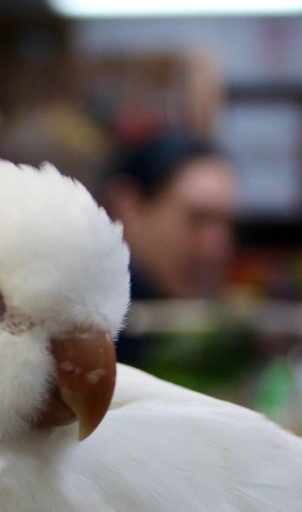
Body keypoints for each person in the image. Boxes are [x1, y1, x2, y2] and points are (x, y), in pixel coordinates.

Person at [99, 130, 238, 367]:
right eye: (197, 219)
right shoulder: (95, 327)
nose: (215, 247)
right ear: (128, 208)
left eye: (226, 224)